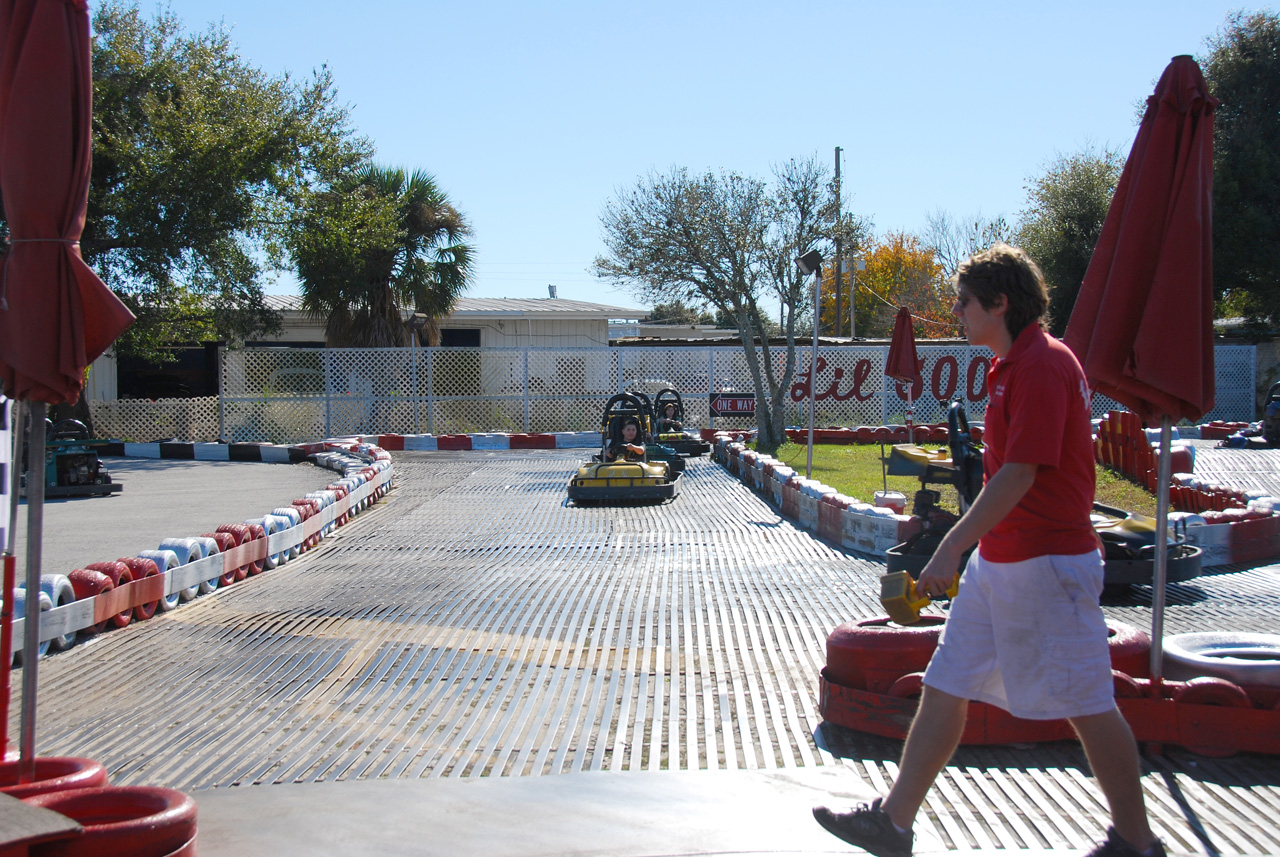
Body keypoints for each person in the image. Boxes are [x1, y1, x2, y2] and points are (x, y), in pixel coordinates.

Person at [812, 244, 1164, 857]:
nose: (956, 310)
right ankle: (892, 824)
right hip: (1002, 561)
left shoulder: (1044, 367)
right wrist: (970, 548)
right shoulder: (1012, 364)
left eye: (965, 301)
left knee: (1087, 701)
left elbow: (1022, 474)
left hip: (1047, 564)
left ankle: (1137, 843)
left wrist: (950, 546)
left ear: (999, 302)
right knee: (946, 683)